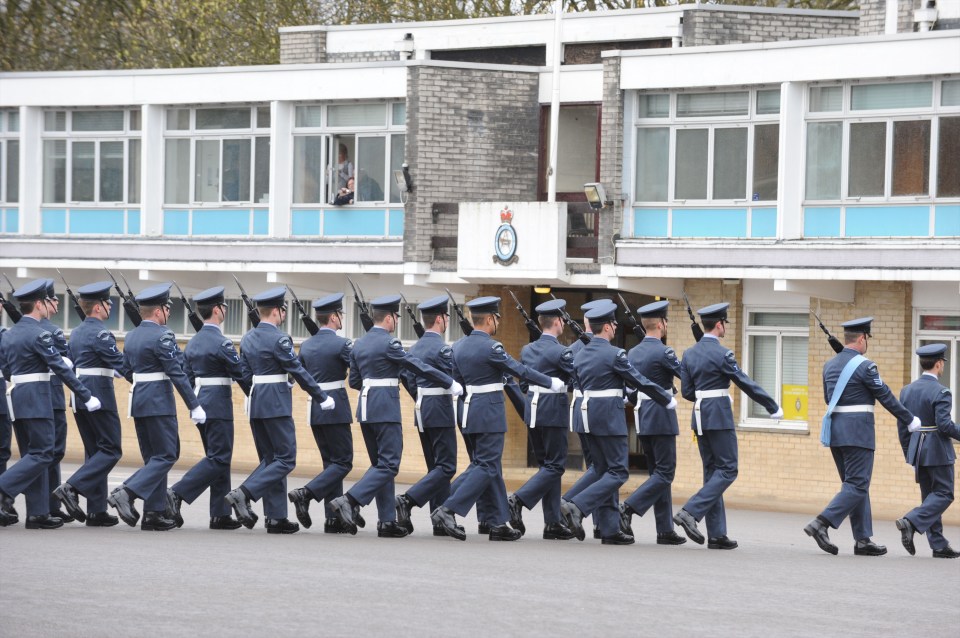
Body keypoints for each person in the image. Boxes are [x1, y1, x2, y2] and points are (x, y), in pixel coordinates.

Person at [431, 296, 563, 542]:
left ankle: (497, 523)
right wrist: (549, 381)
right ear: (491, 319)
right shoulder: (492, 347)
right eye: (497, 318)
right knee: (487, 466)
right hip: (488, 413)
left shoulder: (458, 346)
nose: (498, 323)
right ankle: (448, 508)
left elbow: (456, 382)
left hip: (468, 411)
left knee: (487, 467)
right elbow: (519, 370)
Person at [329, 294, 460, 537]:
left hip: (365, 409)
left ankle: (386, 521)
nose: (397, 322)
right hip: (384, 408)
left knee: (381, 466)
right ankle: (350, 500)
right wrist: (448, 381)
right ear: (388, 318)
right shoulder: (391, 344)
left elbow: (355, 381)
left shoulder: (359, 344)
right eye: (396, 317)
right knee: (389, 465)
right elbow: (415, 366)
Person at [559, 300, 674, 545]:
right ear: (609, 327)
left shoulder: (579, 354)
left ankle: (608, 529)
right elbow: (639, 380)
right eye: (613, 324)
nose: (614, 327)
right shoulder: (615, 353)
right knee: (618, 471)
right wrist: (664, 397)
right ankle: (577, 506)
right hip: (608, 418)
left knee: (601, 470)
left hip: (584, 416)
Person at [803, 317, 917, 557]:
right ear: (862, 338)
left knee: (855, 485)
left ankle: (863, 540)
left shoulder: (829, 365)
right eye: (868, 339)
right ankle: (821, 523)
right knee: (857, 484)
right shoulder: (866, 367)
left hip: (836, 433)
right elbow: (885, 396)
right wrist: (909, 419)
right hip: (858, 433)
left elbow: (828, 398)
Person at [225, 287, 334, 534]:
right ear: (276, 311)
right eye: (283, 310)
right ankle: (244, 493)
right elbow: (296, 369)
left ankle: (276, 517)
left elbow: (243, 374)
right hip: (275, 403)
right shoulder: (279, 339)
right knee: (286, 458)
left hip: (257, 402)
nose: (284, 315)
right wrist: (320, 396)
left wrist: (256, 393)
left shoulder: (248, 338)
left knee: (271, 460)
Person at [675, 302, 781, 550]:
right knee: (728, 469)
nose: (725, 328)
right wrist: (772, 406)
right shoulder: (723, 354)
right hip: (719, 416)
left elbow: (687, 392)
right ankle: (690, 512)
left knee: (713, 473)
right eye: (725, 324)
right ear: (720, 324)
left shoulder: (689, 353)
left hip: (699, 417)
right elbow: (745, 383)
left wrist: (705, 394)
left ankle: (717, 534)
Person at [0, 278, 100, 529]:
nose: (48, 306)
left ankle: (37, 513)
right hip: (37, 398)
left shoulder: (9, 334)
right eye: (46, 302)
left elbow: (8, 369)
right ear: (38, 304)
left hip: (17, 396)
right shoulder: (40, 334)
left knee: (32, 454)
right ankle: (3, 489)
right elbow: (61, 369)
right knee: (44, 452)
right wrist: (86, 395)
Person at [108, 283, 204, 531]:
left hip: (139, 401)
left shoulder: (131, 336)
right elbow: (176, 373)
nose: (169, 313)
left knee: (154, 458)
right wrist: (194, 405)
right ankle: (127, 492)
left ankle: (154, 513)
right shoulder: (163, 335)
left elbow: (127, 370)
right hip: (159, 403)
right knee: (167, 455)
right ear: (159, 311)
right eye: (167, 309)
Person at [167, 286, 251, 530]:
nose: (225, 310)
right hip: (218, 405)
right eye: (224, 307)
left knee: (218, 458)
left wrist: (195, 404)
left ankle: (220, 514)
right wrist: (254, 394)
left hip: (201, 403)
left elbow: (186, 376)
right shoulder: (222, 343)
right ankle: (176, 493)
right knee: (219, 457)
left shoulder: (192, 343)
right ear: (217, 310)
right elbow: (241, 375)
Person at [288, 293, 363, 534]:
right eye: (340, 314)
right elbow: (358, 368)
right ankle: (306, 494)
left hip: (315, 407)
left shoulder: (307, 345)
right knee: (343, 462)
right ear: (333, 317)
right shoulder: (342, 344)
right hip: (336, 407)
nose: (342, 318)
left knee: (331, 463)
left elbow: (297, 375)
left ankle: (333, 519)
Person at [53, 281, 124, 527]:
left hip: (80, 395)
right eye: (108, 303)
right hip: (99, 394)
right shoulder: (102, 333)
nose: (111, 306)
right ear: (97, 307)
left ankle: (96, 510)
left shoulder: (77, 331)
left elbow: (77, 361)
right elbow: (120, 362)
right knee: (112, 449)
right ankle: (71, 488)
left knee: (95, 452)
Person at [619, 300, 687, 546]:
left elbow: (632, 389)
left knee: (659, 474)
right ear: (660, 324)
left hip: (642, 415)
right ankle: (628, 508)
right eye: (666, 321)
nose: (666, 325)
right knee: (666, 472)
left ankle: (664, 529)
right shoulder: (664, 352)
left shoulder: (632, 353)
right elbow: (686, 376)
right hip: (660, 414)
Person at [507, 299, 576, 541]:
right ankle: (518, 499)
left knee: (547, 467)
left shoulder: (527, 350)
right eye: (563, 321)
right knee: (556, 465)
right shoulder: (561, 351)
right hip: (553, 411)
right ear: (558, 322)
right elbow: (576, 378)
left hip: (533, 410)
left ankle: (552, 522)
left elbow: (524, 384)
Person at [395, 295, 460, 536]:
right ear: (441, 319)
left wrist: (421, 398)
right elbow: (453, 377)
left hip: (421, 409)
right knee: (447, 466)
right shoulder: (442, 348)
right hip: (439, 408)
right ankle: (408, 499)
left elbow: (408, 378)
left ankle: (439, 519)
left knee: (436, 467)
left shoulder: (414, 348)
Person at [894, 344, 960, 558]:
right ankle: (911, 521)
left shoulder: (907, 390)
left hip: (917, 449)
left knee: (930, 498)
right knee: (943, 494)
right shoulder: (941, 391)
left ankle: (938, 544)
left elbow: (902, 426)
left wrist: (908, 451)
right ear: (939, 364)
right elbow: (945, 425)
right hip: (938, 450)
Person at [560, 299, 606, 539]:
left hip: (579, 409)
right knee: (605, 468)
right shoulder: (599, 347)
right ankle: (602, 522)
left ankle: (584, 512)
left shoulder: (573, 349)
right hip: (599, 409)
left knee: (595, 466)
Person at [39, 280, 74, 523]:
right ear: (44, 303)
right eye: (54, 299)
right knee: (53, 452)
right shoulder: (51, 331)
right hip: (51, 396)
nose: (58, 302)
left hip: (35, 396)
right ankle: (46, 506)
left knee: (45, 453)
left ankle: (49, 504)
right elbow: (68, 359)